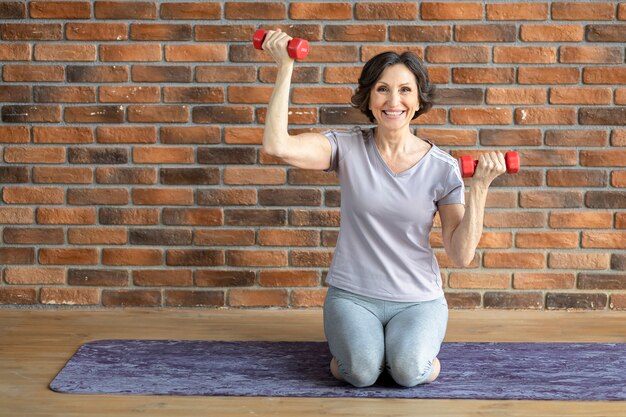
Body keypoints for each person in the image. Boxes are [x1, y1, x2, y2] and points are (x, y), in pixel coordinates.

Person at [260, 29, 507, 388]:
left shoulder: (443, 167)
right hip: (353, 296)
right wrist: (285, 67)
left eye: (405, 89)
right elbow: (277, 146)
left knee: (407, 372)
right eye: (383, 89)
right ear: (370, 99)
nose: (395, 100)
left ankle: (404, 355)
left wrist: (480, 187)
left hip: (418, 300)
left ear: (419, 100)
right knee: (360, 373)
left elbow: (461, 254)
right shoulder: (345, 148)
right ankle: (362, 355)